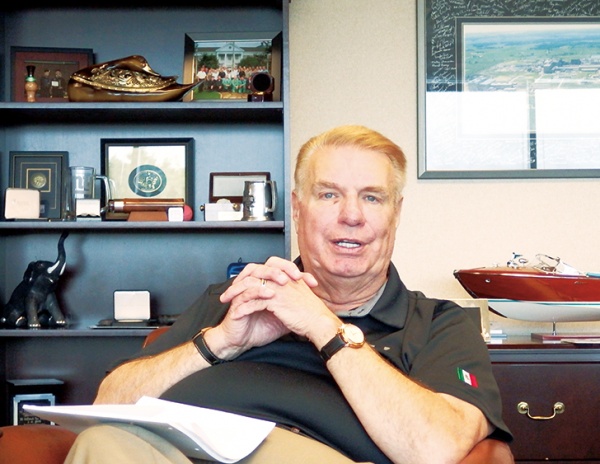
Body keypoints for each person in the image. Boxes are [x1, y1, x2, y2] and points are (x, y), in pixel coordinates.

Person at [65, 125, 511, 464]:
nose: (351, 215)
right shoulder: (232, 299)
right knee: (102, 442)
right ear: (297, 209)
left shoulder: (438, 323)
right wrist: (220, 342)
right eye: (329, 194)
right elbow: (108, 403)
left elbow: (435, 449)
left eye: (372, 198)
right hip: (182, 452)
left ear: (396, 214)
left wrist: (323, 326)